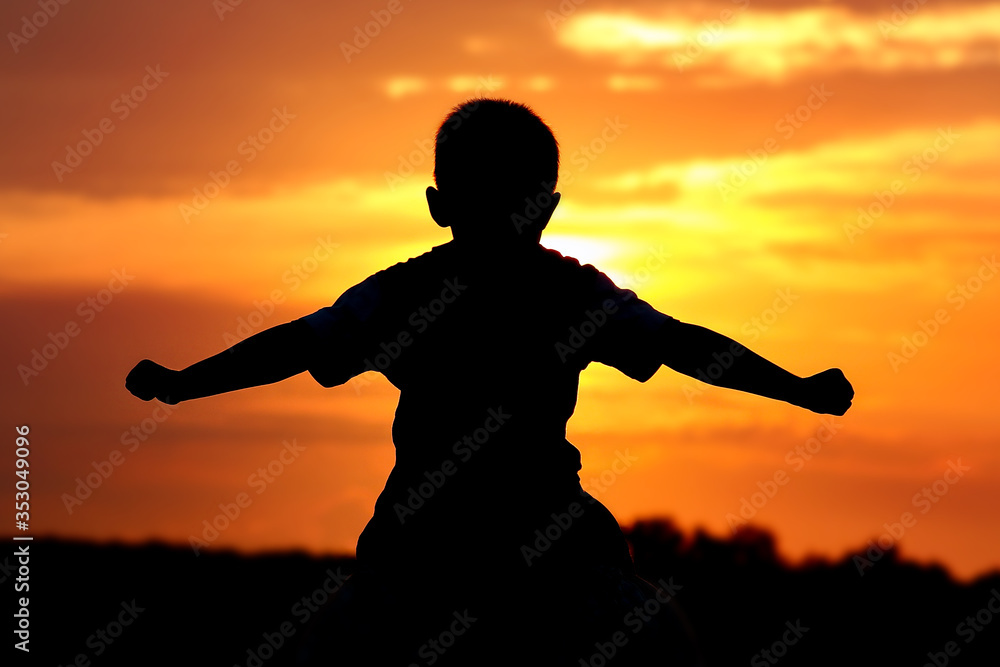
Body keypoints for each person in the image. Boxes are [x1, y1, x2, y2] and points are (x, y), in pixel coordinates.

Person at [126, 98, 854, 666]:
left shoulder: (404, 294)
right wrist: (796, 386)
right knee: (662, 654)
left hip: (420, 554)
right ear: (550, 206)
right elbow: (684, 346)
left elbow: (294, 345)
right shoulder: (572, 294)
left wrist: (189, 381)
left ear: (438, 205)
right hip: (538, 550)